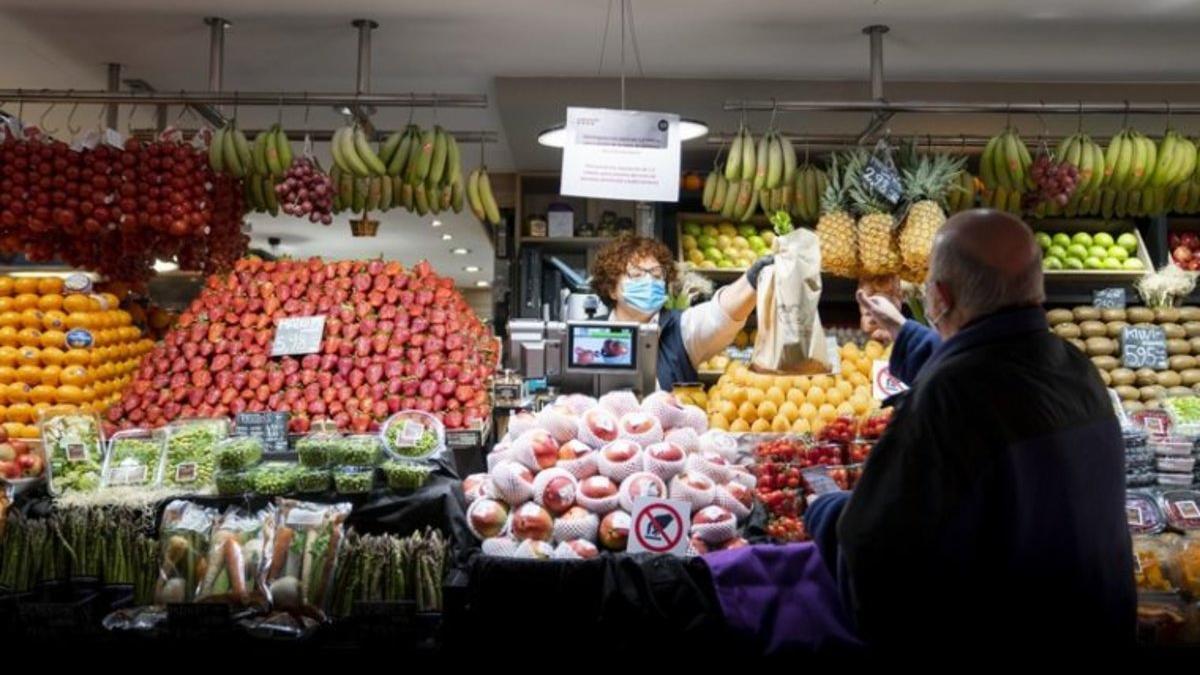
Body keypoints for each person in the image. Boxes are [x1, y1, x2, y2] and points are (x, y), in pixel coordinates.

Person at [805, 210, 1135, 651]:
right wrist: (906, 333)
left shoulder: (947, 400)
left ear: (939, 297)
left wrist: (823, 510)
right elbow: (995, 376)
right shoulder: (1075, 369)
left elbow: (876, 558)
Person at [590, 235, 769, 390]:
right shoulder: (588, 335)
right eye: (636, 275)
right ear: (611, 289)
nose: (648, 281)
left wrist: (752, 280)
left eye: (656, 275)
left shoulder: (681, 328)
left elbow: (720, 315)